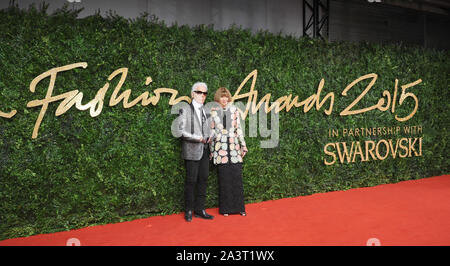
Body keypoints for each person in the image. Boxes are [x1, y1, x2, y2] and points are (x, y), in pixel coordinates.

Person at [175, 82, 214, 222]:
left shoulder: (206, 110)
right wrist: (198, 138)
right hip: (192, 151)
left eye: (205, 93)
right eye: (199, 92)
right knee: (191, 181)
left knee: (203, 180)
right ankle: (189, 210)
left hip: (205, 150)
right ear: (192, 94)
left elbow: (211, 129)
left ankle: (200, 209)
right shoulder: (185, 109)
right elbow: (180, 131)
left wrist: (211, 135)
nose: (202, 95)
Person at [209, 87, 248, 217]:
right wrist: (212, 151)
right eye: (221, 96)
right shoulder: (213, 113)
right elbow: (211, 132)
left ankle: (240, 208)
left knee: (237, 177)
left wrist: (243, 145)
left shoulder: (235, 110)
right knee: (224, 179)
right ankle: (225, 209)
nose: (224, 99)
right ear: (218, 98)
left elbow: (239, 129)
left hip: (234, 148)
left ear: (229, 98)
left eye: (226, 96)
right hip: (221, 150)